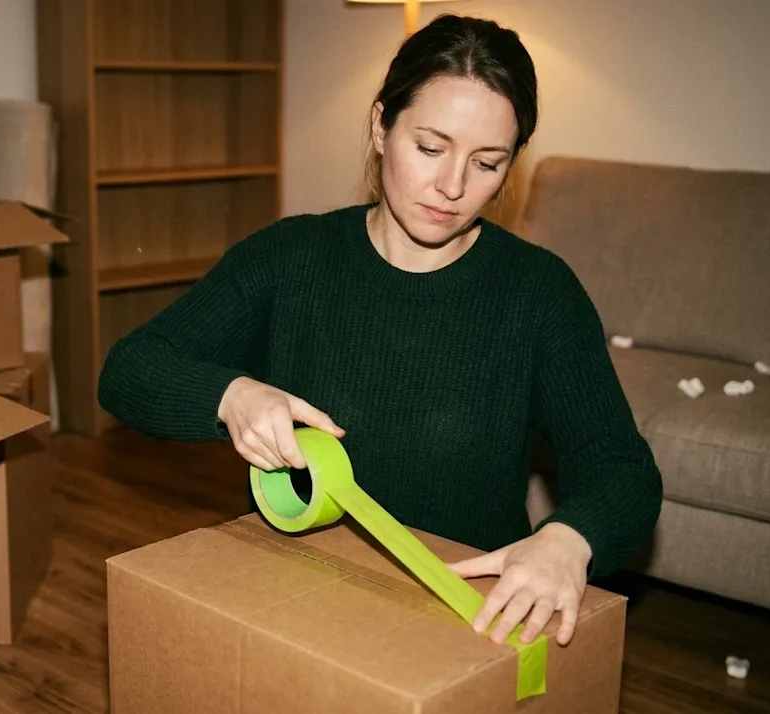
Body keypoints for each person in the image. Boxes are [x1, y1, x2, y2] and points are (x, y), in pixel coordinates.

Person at [97, 14, 662, 649]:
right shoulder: (289, 257)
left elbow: (622, 469)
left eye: (487, 162)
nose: (453, 187)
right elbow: (129, 369)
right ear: (379, 126)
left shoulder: (539, 292)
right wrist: (233, 396)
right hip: (298, 595)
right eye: (430, 147)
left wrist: (567, 539)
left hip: (462, 612)